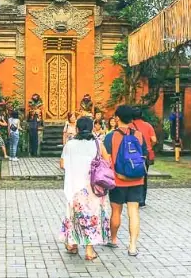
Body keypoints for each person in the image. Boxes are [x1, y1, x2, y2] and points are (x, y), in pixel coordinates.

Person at [59, 116, 111, 261]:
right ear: (92, 127)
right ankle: (89, 250)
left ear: (77, 128)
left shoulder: (70, 144)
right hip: (93, 187)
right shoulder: (97, 144)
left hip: (75, 187)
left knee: (74, 214)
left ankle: (72, 244)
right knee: (92, 216)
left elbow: (62, 164)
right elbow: (107, 161)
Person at [103, 105, 145, 257]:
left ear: (117, 118)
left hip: (118, 180)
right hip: (137, 179)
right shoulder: (139, 135)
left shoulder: (111, 136)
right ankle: (132, 246)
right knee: (133, 212)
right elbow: (144, 156)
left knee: (116, 211)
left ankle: (113, 239)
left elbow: (106, 158)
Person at [132, 107, 157, 207]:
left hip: (133, 155)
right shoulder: (148, 125)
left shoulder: (130, 126)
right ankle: (142, 200)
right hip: (145, 154)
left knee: (133, 176)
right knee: (144, 177)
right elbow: (154, 139)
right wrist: (149, 146)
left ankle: (134, 198)